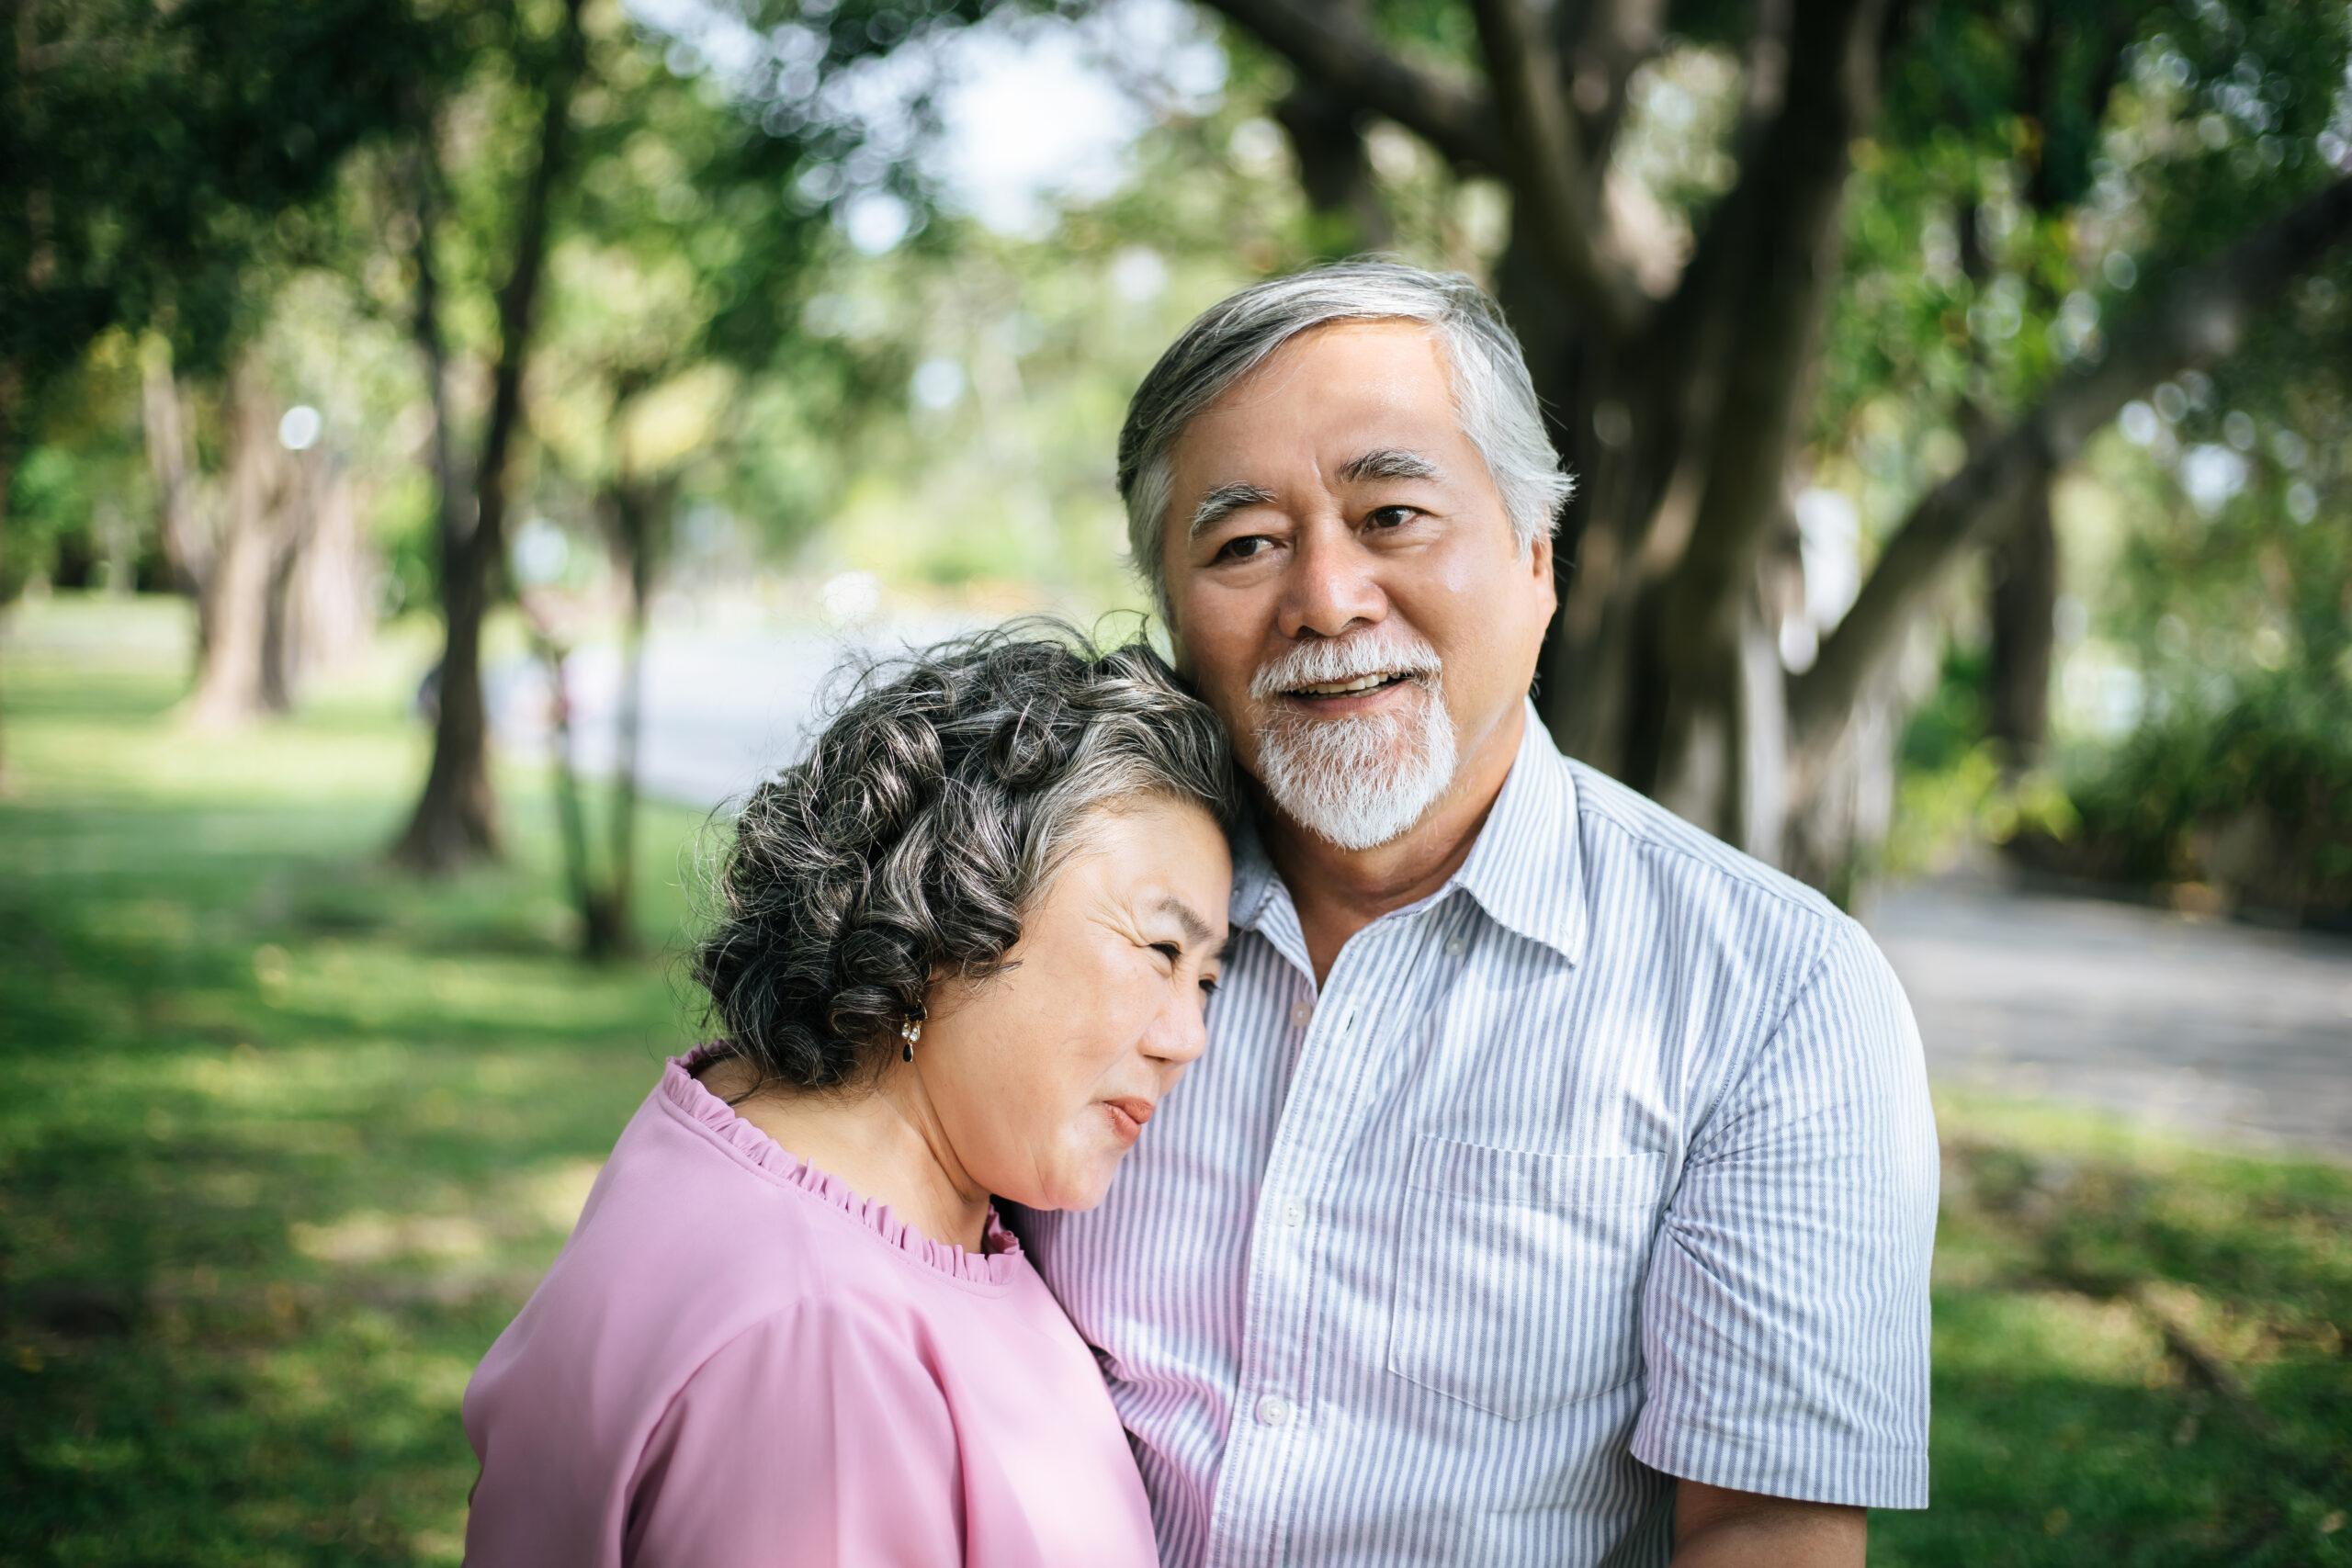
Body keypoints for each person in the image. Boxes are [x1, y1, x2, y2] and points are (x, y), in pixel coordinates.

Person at [1012, 262, 1939, 1566]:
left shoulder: (1775, 992)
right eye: (1244, 544)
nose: (1327, 598)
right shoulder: (1040, 923)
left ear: (1537, 559)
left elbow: (1765, 1527)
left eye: (1391, 513)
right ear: (1174, 620)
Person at [461, 626, 1239, 1566]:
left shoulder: (740, 1138)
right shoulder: (819, 1349)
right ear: (958, 897)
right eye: (1158, 949)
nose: (1184, 1037)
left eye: (1205, 979)